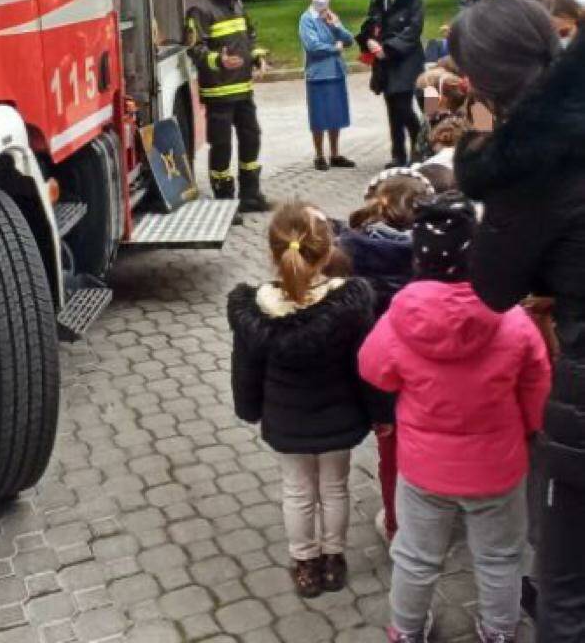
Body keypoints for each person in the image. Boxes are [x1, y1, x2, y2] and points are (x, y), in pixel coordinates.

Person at [448, 0, 585, 643]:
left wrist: (480, 142)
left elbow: (493, 287)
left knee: (563, 592)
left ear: (476, 82)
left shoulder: (526, 167)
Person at [359, 192, 551, 643]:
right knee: (500, 557)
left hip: (424, 470)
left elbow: (374, 369)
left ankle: (407, 630)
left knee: (415, 557)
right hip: (497, 469)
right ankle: (498, 631)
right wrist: (527, 430)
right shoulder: (512, 320)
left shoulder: (398, 318)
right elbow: (537, 390)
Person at [227, 202, 383, 597]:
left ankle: (305, 564)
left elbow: (246, 367)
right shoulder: (351, 302)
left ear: (273, 254)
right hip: (340, 417)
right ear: (328, 252)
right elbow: (367, 364)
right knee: (335, 488)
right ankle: (334, 559)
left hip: (286, 420)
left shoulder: (256, 308)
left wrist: (248, 408)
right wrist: (380, 412)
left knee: (297, 490)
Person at [334, 169, 435, 543]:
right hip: (431, 386)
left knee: (391, 459)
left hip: (382, 389)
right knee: (433, 452)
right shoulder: (436, 254)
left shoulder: (350, 253)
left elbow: (354, 338)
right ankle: (436, 520)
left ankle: (396, 525)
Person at [186, 0, 269, 212]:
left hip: (244, 90)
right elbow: (193, 48)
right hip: (219, 92)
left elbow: (248, 38)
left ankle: (250, 195)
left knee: (251, 138)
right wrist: (218, 60)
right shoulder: (200, 9)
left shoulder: (237, 4)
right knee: (221, 146)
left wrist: (257, 58)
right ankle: (224, 203)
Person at [357, 0, 425, 168]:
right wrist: (369, 41)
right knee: (391, 107)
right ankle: (398, 153)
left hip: (405, 58)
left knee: (404, 105)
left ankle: (419, 144)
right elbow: (369, 23)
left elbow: (414, 28)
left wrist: (389, 48)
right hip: (382, 60)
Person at [299, 0, 356, 171]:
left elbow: (349, 40)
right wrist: (335, 48)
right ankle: (319, 155)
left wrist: (336, 26)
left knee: (335, 115)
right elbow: (312, 45)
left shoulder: (331, 16)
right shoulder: (307, 19)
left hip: (336, 72)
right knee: (319, 116)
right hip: (318, 74)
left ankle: (335, 153)